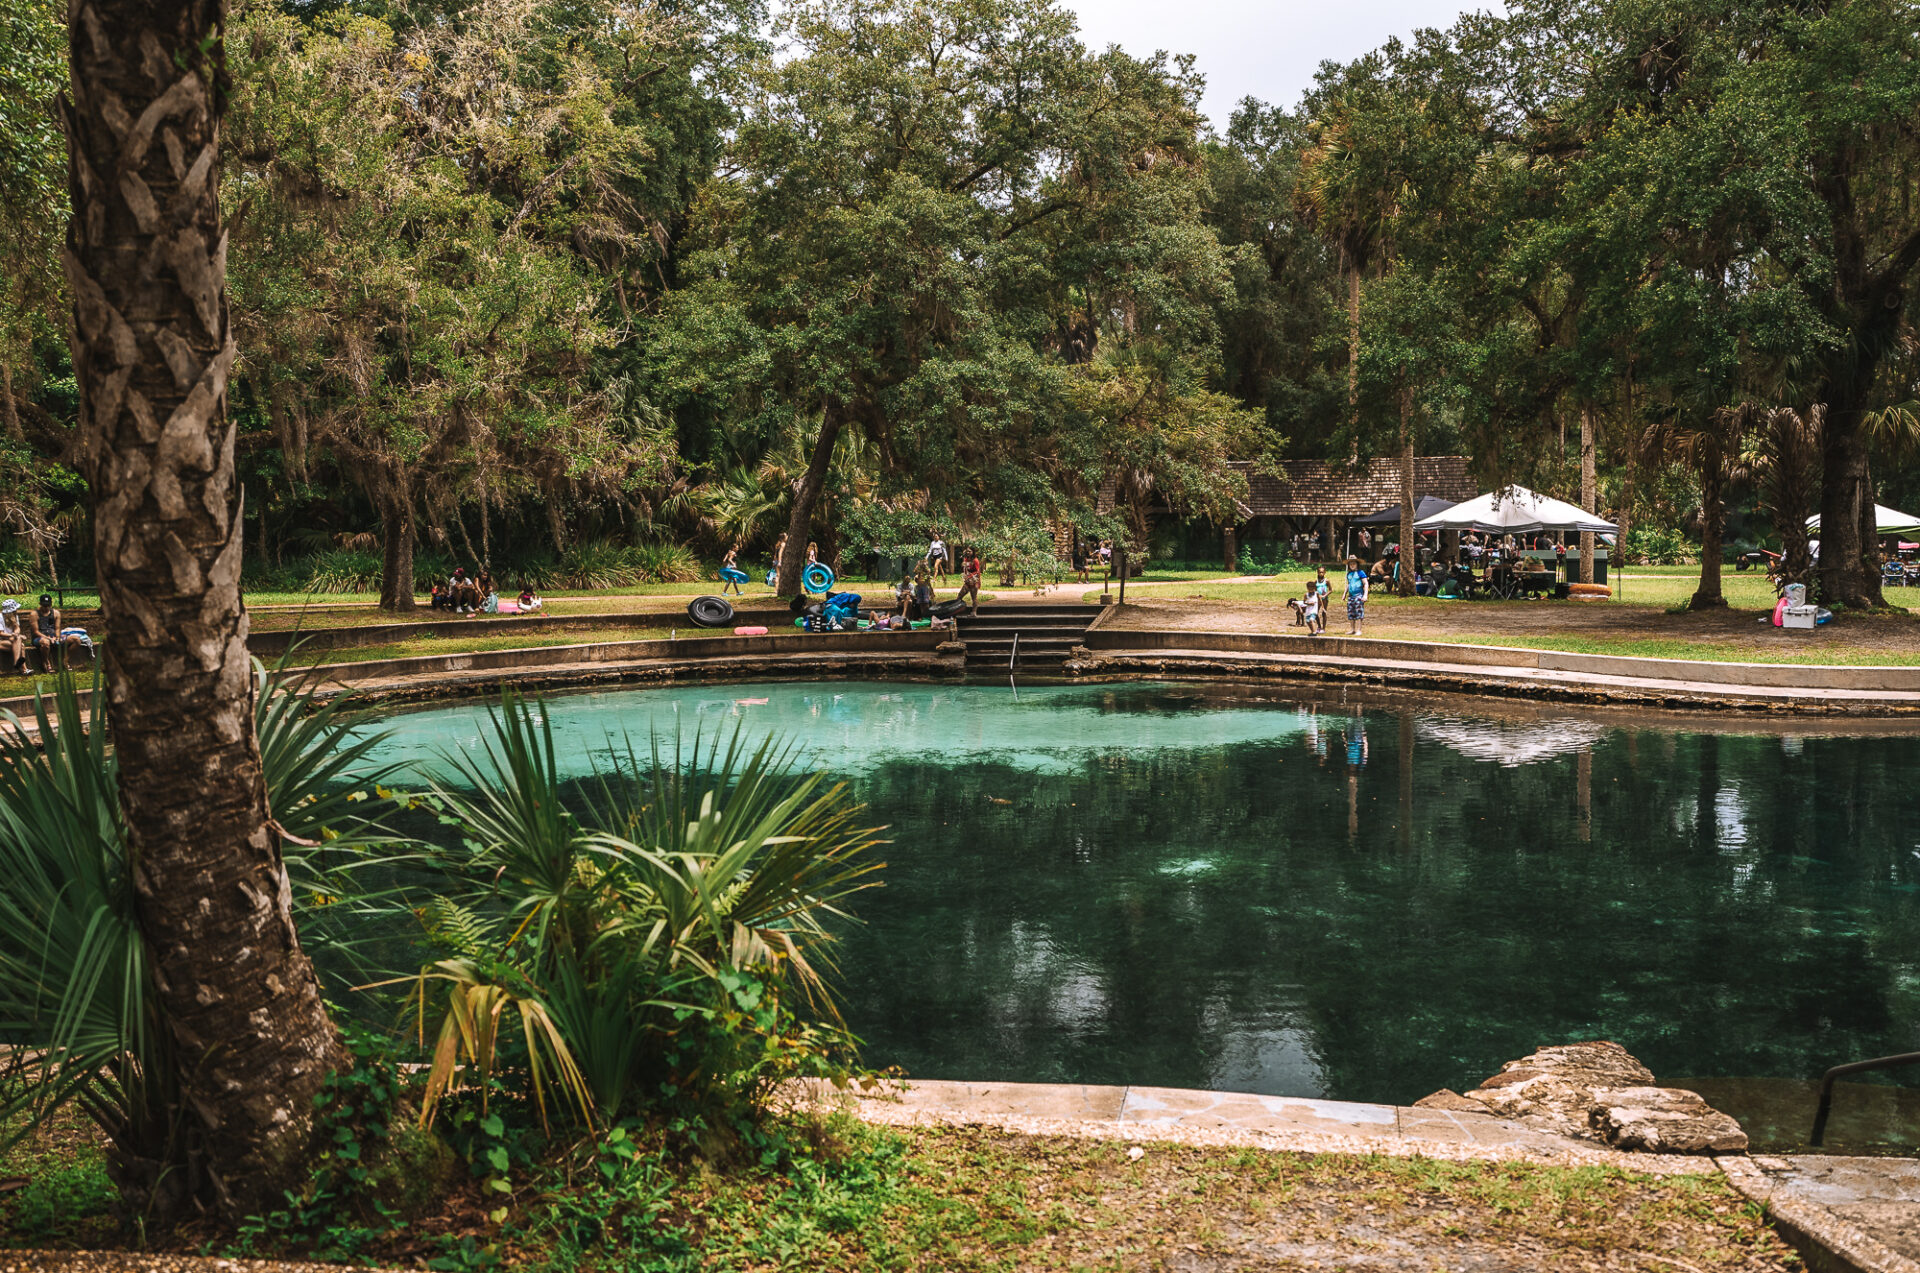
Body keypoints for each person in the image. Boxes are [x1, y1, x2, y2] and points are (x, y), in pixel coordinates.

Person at [27, 594, 83, 671]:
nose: (46, 608)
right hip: (40, 638)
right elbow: (35, 631)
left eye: (48, 605)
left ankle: (65, 660)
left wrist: (57, 637)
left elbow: (57, 628)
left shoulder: (56, 613)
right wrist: (47, 638)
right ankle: (46, 662)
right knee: (45, 643)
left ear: (51, 604)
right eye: (44, 606)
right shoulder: (34, 614)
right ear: (40, 604)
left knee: (76, 640)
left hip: (53, 636)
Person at [1344, 555, 1370, 636]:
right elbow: (1349, 584)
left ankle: (1359, 629)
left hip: (1359, 595)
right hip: (1351, 596)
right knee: (1351, 613)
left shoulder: (1360, 573)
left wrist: (1365, 595)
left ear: (1357, 564)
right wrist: (1344, 593)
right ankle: (1352, 629)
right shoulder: (1349, 574)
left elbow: (1365, 583)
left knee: (1358, 612)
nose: (1352, 565)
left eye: (1354, 563)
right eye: (1350, 564)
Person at [0, 599, 24, 672]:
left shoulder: (15, 616)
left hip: (11, 640)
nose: (16, 610)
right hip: (1, 640)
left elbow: (17, 628)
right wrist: (12, 635)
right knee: (21, 645)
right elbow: (1, 633)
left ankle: (19, 665)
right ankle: (21, 667)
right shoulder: (0, 617)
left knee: (19, 640)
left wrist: (16, 634)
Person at [958, 548, 982, 612]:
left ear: (973, 552)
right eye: (967, 551)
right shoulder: (965, 559)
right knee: (960, 595)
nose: (968, 552)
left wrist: (970, 576)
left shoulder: (975, 560)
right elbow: (965, 569)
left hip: (974, 581)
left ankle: (974, 612)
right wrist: (965, 576)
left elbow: (977, 571)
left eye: (970, 551)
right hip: (968, 581)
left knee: (974, 597)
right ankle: (956, 610)